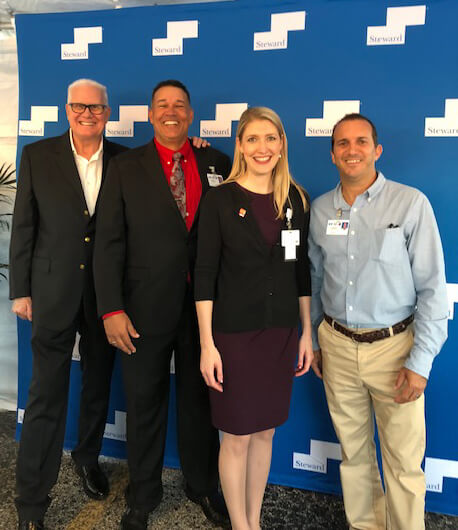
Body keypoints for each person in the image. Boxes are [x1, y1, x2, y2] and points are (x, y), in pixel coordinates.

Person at [93, 79, 232, 530]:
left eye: (179, 105)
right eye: (162, 106)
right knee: (144, 403)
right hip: (141, 311)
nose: (171, 111)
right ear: (151, 115)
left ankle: (201, 485)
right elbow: (109, 242)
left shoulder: (216, 161)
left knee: (200, 404)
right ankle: (143, 494)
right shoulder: (125, 166)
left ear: (191, 115)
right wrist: (111, 308)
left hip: (204, 313)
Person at [308, 113, 448, 530]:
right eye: (343, 143)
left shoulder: (410, 204)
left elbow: (432, 291)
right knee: (354, 455)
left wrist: (420, 362)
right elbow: (315, 281)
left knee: (403, 462)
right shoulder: (319, 210)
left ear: (376, 149)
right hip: (336, 345)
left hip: (394, 349)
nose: (352, 150)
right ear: (332, 153)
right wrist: (315, 340)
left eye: (361, 142)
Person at [9, 79, 128, 530]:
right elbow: (24, 226)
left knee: (98, 385)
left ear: (107, 112)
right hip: (51, 294)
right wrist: (21, 289)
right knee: (45, 395)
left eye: (96, 108)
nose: (87, 114)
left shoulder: (124, 160)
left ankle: (87, 459)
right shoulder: (38, 156)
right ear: (67, 110)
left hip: (104, 298)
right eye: (79, 106)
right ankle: (31, 503)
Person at [194, 107, 313, 530]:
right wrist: (207, 344)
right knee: (237, 436)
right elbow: (204, 276)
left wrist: (305, 334)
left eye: (271, 138)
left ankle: (254, 521)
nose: (262, 147)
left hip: (280, 332)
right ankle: (239, 525)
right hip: (233, 337)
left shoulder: (295, 200)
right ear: (240, 146)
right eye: (252, 139)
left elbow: (299, 271)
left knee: (265, 433)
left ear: (282, 145)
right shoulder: (221, 200)